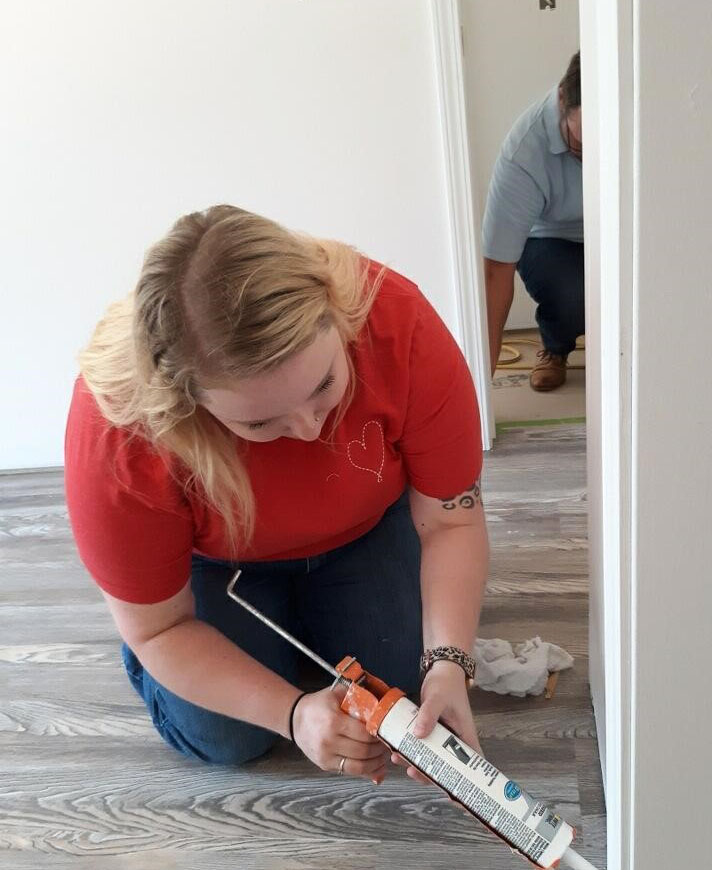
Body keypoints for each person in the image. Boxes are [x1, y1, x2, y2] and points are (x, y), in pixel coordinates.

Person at [64, 205, 489, 786]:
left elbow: (450, 523)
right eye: (261, 424)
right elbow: (158, 628)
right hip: (220, 569)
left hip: (365, 529)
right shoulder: (120, 432)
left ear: (338, 319)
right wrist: (291, 714)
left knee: (401, 693)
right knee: (228, 739)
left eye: (324, 386)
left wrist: (449, 664)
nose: (313, 431)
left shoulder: (398, 321)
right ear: (189, 404)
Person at [483, 51, 583, 391]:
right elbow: (496, 270)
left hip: (616, 233)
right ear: (561, 100)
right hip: (552, 239)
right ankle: (555, 348)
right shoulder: (524, 151)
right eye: (581, 142)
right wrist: (481, 387)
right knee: (573, 294)